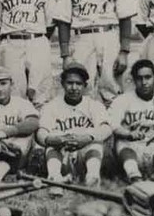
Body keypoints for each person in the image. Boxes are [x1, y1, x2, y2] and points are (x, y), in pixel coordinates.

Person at [54, 0, 137, 107]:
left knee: (113, 85)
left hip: (109, 35)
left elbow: (125, 17)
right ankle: (86, 125)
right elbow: (63, 21)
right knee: (83, 86)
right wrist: (65, 55)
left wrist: (124, 51)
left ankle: (115, 127)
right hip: (82, 37)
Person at [36, 62, 112, 196]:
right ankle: (55, 179)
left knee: (95, 140)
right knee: (52, 142)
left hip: (87, 157)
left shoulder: (94, 105)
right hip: (61, 157)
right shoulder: (51, 106)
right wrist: (56, 139)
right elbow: (41, 133)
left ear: (85, 86)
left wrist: (87, 138)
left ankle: (92, 178)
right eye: (70, 83)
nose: (74, 87)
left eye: (78, 84)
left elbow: (106, 128)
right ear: (62, 84)